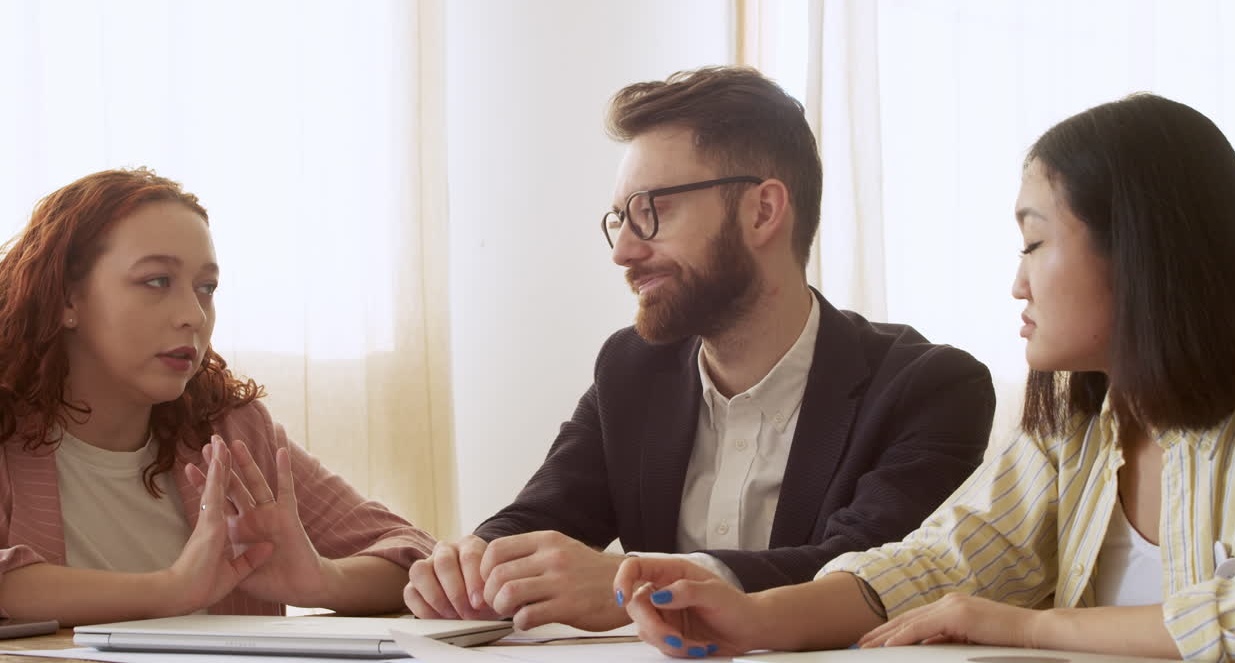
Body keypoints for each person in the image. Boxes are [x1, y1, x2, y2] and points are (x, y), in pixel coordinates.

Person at [616, 92, 1235, 661]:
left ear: (1139, 250)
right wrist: (755, 617)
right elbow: (945, 560)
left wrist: (1029, 626)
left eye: (1034, 243)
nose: (1017, 282)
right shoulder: (1077, 431)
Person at [404, 66, 995, 631]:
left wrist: (631, 584)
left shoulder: (931, 388)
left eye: (652, 212)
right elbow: (541, 514)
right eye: (619, 219)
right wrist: (472, 563)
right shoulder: (631, 369)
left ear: (762, 210)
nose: (624, 251)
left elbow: (869, 572)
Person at [0, 168, 436, 625]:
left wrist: (322, 580)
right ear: (68, 299)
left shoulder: (231, 431)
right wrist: (169, 591)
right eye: (156, 281)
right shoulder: (8, 425)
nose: (193, 315)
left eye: (206, 288)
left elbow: (414, 557)